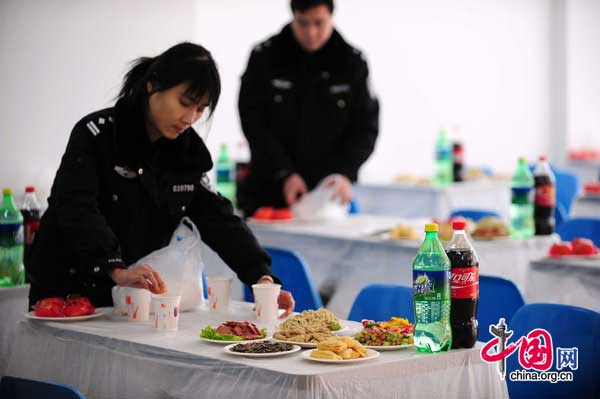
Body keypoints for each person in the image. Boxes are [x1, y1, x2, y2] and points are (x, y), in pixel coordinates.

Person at [27, 42, 295, 316]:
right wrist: (114, 267)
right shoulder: (96, 135)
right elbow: (76, 207)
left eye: (201, 109)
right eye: (185, 103)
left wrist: (262, 277)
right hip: (67, 292)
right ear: (152, 85)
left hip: (132, 298)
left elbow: (220, 220)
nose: (190, 118)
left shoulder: (186, 153)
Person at [238, 0, 379, 217]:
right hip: (270, 189)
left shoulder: (352, 63)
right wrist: (284, 173)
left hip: (328, 194)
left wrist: (343, 172)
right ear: (293, 16)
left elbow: (365, 128)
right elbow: (253, 122)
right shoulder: (265, 57)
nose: (311, 32)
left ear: (331, 17)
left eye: (318, 23)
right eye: (303, 23)